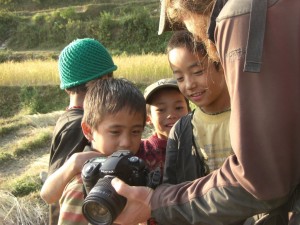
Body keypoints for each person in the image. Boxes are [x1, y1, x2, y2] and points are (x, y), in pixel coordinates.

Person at [111, 0, 300, 224]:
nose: (197, 35)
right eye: (179, 77)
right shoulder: (184, 129)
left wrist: (158, 202)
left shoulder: (238, 17)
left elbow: (260, 181)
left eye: (182, 21)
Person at [41, 37, 117, 225]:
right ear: (101, 81)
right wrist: (75, 163)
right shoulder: (78, 125)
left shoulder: (70, 118)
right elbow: (52, 192)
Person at [57, 78, 146, 225]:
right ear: (88, 130)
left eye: (135, 131)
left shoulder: (133, 173)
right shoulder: (83, 186)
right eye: (115, 132)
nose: (126, 142)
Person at [163, 30, 232, 185]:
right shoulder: (181, 130)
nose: (189, 84)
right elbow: (170, 187)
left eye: (198, 72)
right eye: (179, 78)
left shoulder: (248, 116)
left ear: (220, 64)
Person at [137, 78, 190, 178]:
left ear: (189, 112)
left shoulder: (198, 146)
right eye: (161, 110)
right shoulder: (140, 150)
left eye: (178, 108)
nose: (171, 115)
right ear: (148, 118)